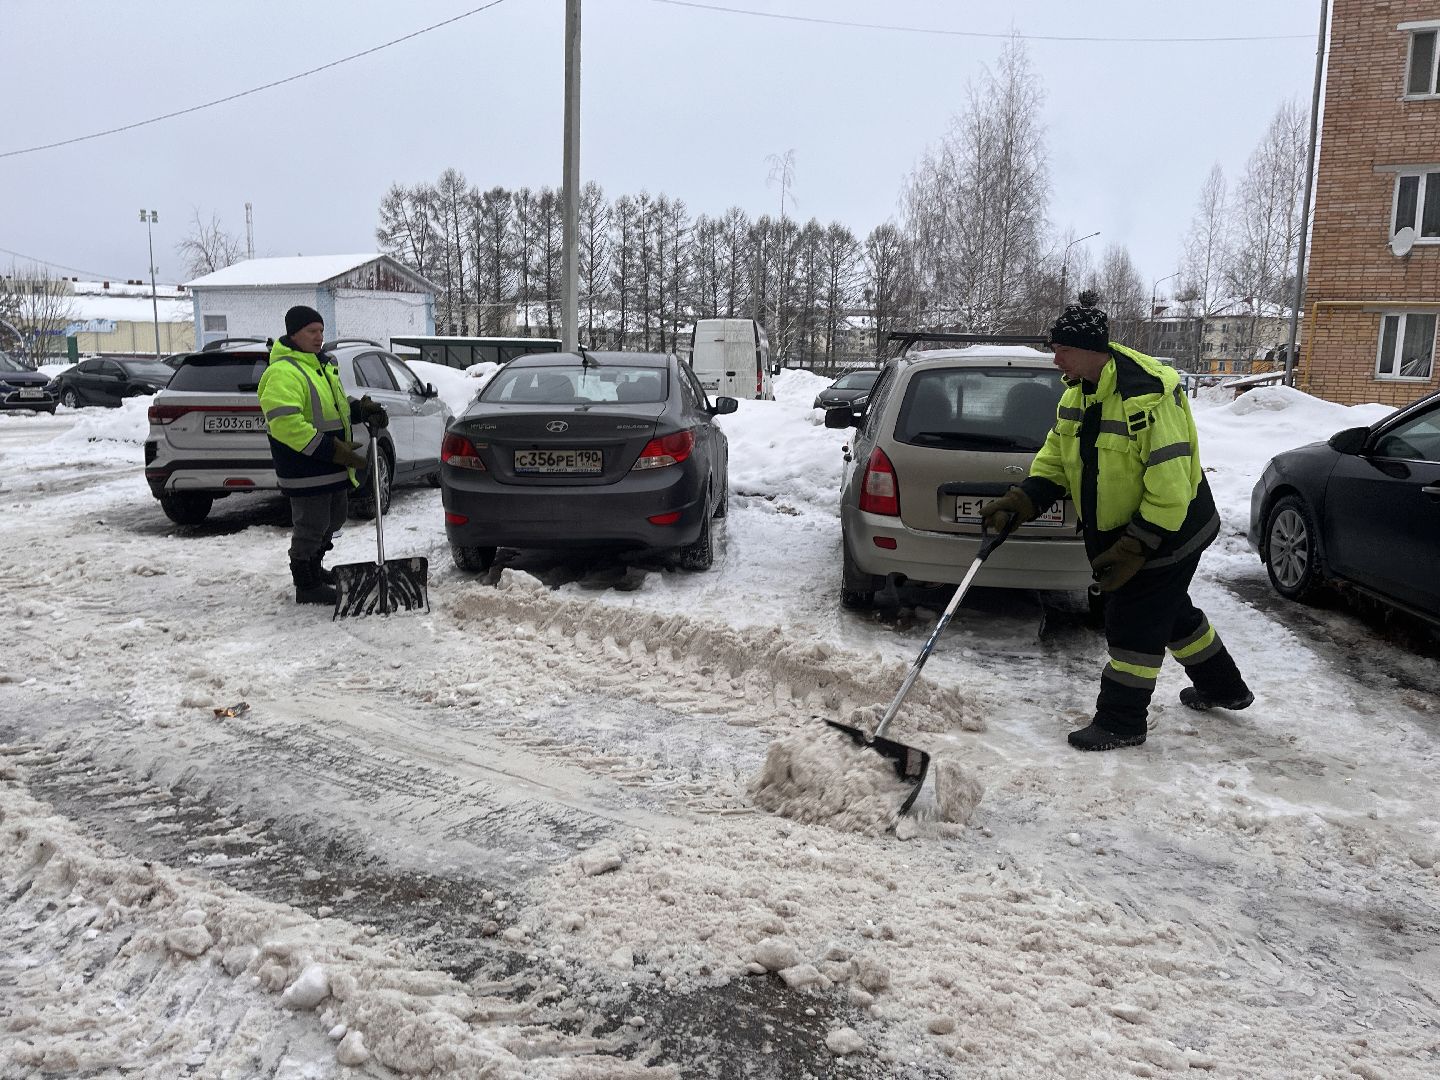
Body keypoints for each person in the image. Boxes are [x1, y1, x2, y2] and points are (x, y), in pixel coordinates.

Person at [980, 291, 1252, 750]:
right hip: (1129, 528)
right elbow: (1056, 460)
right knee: (1167, 611)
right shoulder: (1077, 393)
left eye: (1062, 349)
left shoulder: (1146, 396)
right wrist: (1024, 500)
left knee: (1132, 620)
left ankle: (1122, 722)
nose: (1055, 359)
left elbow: (1170, 488)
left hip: (1173, 527)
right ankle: (1224, 687)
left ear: (1089, 350)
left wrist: (1136, 545)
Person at [257, 305, 387, 605]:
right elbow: (286, 423)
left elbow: (333, 408)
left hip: (330, 464)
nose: (319, 337)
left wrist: (359, 409)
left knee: (335, 517)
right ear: (294, 334)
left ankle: (315, 567)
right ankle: (306, 583)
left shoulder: (321, 365)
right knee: (312, 524)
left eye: (321, 331)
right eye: (311, 332)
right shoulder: (283, 371)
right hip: (305, 465)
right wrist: (329, 449)